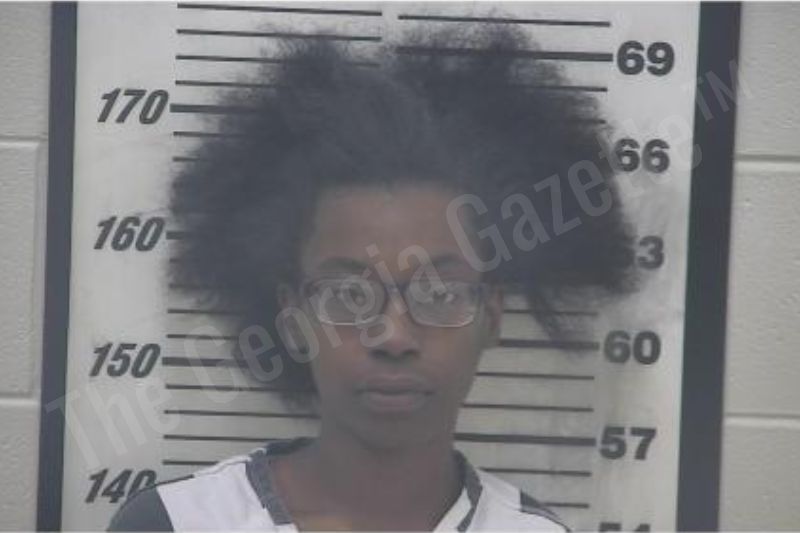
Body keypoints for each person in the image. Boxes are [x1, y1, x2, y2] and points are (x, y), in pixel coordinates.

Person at [108, 25, 633, 532]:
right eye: (347, 295)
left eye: (439, 293)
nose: (394, 336)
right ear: (292, 318)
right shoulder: (177, 523)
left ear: (491, 317)